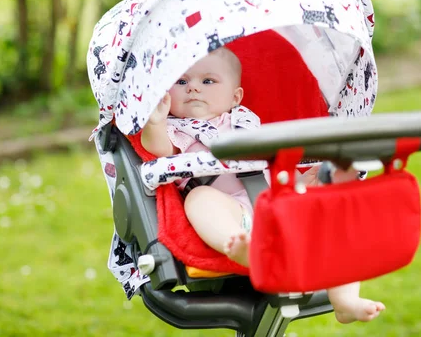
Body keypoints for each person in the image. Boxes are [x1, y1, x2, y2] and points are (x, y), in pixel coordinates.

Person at [141, 47, 386, 324]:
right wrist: (156, 123)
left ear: (235, 97)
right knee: (199, 198)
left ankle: (345, 300)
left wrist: (302, 181)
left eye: (208, 81)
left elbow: (274, 165)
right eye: (182, 82)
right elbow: (160, 153)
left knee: (330, 209)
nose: (194, 88)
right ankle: (242, 246)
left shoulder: (247, 122)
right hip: (233, 211)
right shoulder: (178, 129)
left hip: (278, 204)